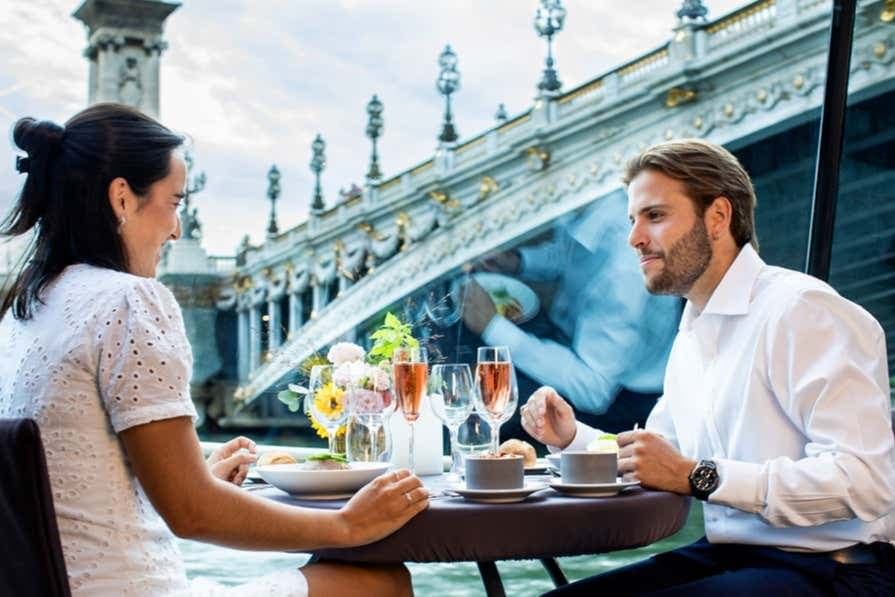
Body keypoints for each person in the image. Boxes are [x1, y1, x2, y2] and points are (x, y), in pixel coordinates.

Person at [0, 104, 428, 596]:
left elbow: (74, 478)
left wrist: (195, 476)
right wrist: (348, 525)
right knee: (379, 583)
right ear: (122, 197)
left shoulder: (25, 310)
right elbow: (192, 513)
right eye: (175, 202)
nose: (177, 229)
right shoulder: (128, 301)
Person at [521, 139, 895, 595]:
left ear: (718, 217)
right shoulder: (693, 330)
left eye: (654, 216)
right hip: (735, 556)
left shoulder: (801, 310)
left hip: (835, 570)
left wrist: (699, 476)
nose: (634, 238)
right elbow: (660, 454)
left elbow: (866, 481)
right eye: (632, 220)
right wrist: (571, 436)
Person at [461, 191, 681, 433]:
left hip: (620, 397)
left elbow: (593, 390)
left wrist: (492, 327)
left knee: (474, 395)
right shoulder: (590, 201)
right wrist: (519, 262)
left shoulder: (624, 275)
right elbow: (569, 253)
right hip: (570, 342)